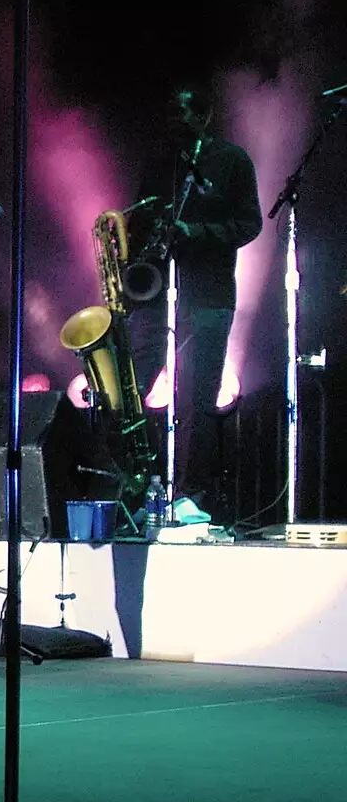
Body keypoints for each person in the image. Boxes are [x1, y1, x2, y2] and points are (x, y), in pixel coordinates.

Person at [125, 81, 261, 525]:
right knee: (132, 385)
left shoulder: (232, 161)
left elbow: (249, 223)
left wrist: (196, 234)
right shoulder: (159, 164)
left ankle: (191, 495)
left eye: (185, 112)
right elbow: (142, 219)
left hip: (209, 292)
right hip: (158, 291)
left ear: (204, 117)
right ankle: (135, 484)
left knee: (197, 397)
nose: (176, 120)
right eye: (171, 113)